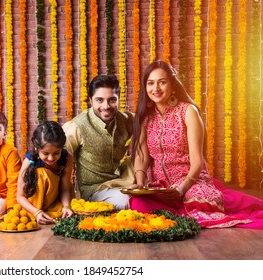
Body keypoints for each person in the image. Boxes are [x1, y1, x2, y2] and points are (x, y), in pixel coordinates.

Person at [129, 60, 263, 229]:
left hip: (191, 181)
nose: (155, 88)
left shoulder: (187, 111)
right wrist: (141, 184)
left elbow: (198, 162)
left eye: (162, 82)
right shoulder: (145, 117)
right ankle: (175, 211)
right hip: (161, 187)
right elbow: (141, 155)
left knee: (198, 200)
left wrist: (181, 189)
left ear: (172, 84)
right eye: (150, 83)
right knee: (138, 203)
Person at [63, 74, 135, 210]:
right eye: (99, 100)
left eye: (112, 100)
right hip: (94, 190)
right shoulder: (77, 126)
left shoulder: (127, 120)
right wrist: (67, 204)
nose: (106, 106)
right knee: (125, 202)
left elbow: (149, 125)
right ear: (91, 100)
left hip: (123, 181)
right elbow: (60, 166)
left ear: (119, 99)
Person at [17, 121, 74, 224]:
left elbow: (65, 188)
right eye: (45, 153)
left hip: (56, 201)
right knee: (42, 173)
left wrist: (66, 206)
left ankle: (56, 211)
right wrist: (36, 212)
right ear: (36, 148)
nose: (51, 158)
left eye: (56, 153)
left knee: (68, 210)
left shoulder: (67, 158)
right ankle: (40, 215)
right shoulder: (29, 161)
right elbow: (20, 196)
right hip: (34, 206)